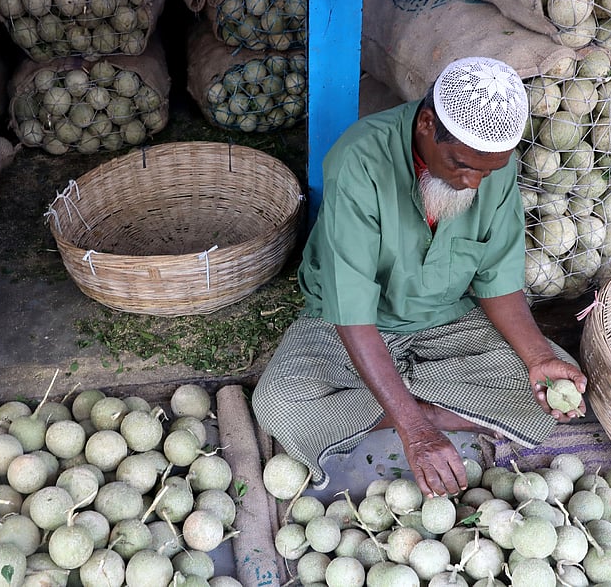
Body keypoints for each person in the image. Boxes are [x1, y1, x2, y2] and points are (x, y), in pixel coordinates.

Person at [252, 56, 588, 497]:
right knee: (279, 403)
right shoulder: (360, 161)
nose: (472, 183)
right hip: (358, 325)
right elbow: (352, 311)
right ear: (427, 124)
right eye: (461, 165)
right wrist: (414, 431)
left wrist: (537, 358)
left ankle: (403, 407)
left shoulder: (490, 169)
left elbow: (497, 279)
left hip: (448, 320)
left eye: (487, 172)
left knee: (552, 387)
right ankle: (418, 409)